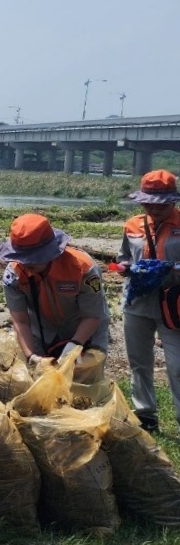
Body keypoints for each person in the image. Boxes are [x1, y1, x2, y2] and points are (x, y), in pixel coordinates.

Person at [0, 213, 110, 372]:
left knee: (85, 378)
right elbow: (21, 321)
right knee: (40, 377)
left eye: (33, 259)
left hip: (85, 327)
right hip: (42, 329)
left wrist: (75, 345)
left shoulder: (83, 269)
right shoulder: (14, 275)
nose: (27, 264)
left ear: (50, 252)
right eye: (23, 258)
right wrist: (31, 356)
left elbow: (92, 315)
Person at [115, 170, 180, 432]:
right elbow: (122, 257)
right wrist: (125, 267)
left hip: (174, 304)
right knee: (139, 361)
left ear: (172, 201)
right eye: (148, 202)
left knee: (177, 365)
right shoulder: (132, 225)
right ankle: (145, 414)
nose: (153, 207)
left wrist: (172, 268)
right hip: (137, 303)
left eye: (159, 203)